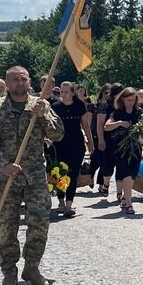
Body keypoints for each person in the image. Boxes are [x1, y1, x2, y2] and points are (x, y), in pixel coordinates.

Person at [0, 65, 64, 285]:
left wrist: (44, 115)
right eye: (15, 79)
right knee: (7, 226)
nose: (19, 83)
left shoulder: (40, 105)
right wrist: (2, 163)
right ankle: (9, 274)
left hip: (35, 175)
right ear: (7, 83)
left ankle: (32, 267)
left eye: (23, 79)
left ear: (29, 82)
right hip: (6, 176)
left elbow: (58, 134)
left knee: (39, 222)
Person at [51, 82, 92, 217]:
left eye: (66, 91)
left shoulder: (79, 106)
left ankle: (69, 204)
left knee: (73, 173)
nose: (63, 94)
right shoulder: (55, 107)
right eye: (62, 91)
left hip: (76, 143)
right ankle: (61, 201)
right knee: (60, 172)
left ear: (72, 92)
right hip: (59, 144)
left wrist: (90, 142)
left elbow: (85, 125)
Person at [106, 87, 143, 214]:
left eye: (133, 100)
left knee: (132, 175)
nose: (131, 102)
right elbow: (107, 127)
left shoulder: (139, 112)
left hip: (136, 147)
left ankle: (124, 197)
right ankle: (129, 203)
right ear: (123, 99)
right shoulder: (117, 113)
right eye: (128, 100)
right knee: (127, 174)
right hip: (120, 148)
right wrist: (120, 123)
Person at [95, 83, 124, 196]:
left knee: (121, 166)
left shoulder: (123, 105)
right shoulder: (105, 105)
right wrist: (101, 140)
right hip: (108, 137)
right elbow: (100, 124)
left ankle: (119, 193)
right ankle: (106, 184)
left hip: (122, 138)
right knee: (108, 165)